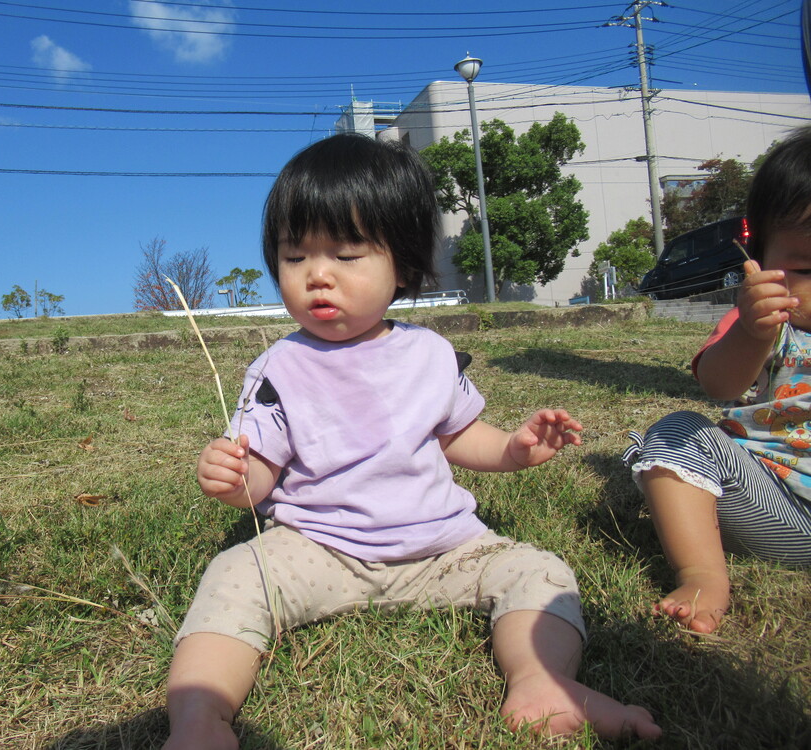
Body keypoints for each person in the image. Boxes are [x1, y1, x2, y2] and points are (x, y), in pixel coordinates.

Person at [163, 133, 661, 748]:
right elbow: (259, 471)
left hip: (442, 548)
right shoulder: (278, 369)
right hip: (321, 549)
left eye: (346, 255)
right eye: (295, 258)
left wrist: (513, 448)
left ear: (402, 264)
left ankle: (540, 680)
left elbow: (458, 434)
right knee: (236, 575)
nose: (317, 275)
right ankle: (198, 718)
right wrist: (233, 478)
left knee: (540, 570)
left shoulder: (429, 353)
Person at [624, 125, 811, 634]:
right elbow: (719, 384)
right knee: (683, 431)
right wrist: (752, 331)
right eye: (806, 267)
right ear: (758, 262)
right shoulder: (768, 324)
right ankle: (703, 572)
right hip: (781, 508)